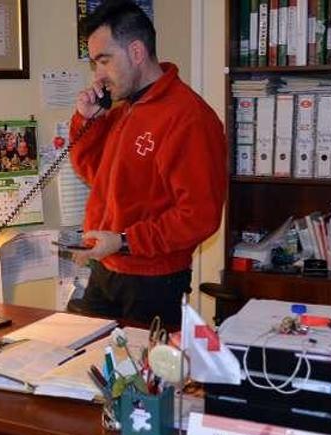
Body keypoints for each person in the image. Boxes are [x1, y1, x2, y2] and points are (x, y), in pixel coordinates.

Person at [66, 0, 226, 326]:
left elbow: (199, 217)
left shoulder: (189, 118)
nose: (98, 76)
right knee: (82, 364)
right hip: (107, 268)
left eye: (104, 61)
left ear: (137, 52)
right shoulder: (124, 109)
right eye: (95, 64)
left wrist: (126, 241)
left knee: (144, 375)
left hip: (153, 281)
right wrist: (88, 121)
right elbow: (93, 173)